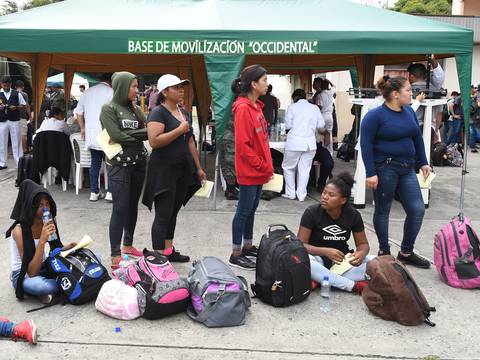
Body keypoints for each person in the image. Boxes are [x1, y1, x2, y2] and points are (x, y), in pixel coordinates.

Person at [360, 76, 432, 269]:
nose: (412, 94)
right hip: (385, 168)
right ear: (395, 94)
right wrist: (371, 172)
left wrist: (423, 162)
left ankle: (406, 252)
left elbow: (417, 137)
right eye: (408, 90)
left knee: (417, 210)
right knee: (383, 210)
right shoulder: (374, 116)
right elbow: (365, 145)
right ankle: (384, 251)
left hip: (407, 168)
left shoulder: (408, 111)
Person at [142, 74, 204, 262]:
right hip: (163, 170)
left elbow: (190, 141)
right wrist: (179, 130)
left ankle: (168, 250)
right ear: (165, 92)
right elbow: (154, 141)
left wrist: (198, 167)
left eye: (181, 87)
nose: (181, 90)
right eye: (176, 87)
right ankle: (158, 255)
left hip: (181, 169)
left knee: (174, 211)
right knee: (163, 213)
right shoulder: (158, 113)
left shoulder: (183, 112)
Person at [100, 72, 148, 269]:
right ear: (121, 87)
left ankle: (127, 246)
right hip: (119, 166)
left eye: (137, 86)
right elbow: (115, 134)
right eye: (133, 86)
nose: (137, 90)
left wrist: (128, 135)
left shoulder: (136, 109)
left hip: (139, 162)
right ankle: (115, 255)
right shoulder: (108, 109)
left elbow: (150, 131)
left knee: (132, 206)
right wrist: (135, 135)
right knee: (120, 208)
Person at [298, 172, 373, 294]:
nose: (324, 197)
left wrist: (361, 254)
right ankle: (352, 286)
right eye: (324, 192)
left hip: (342, 262)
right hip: (318, 259)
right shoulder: (312, 212)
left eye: (331, 195)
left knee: (377, 262)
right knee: (301, 260)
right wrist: (326, 251)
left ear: (343, 200)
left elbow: (363, 244)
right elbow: (301, 245)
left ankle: (323, 278)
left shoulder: (353, 215)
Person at [229, 64, 273, 270]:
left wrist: (265, 167)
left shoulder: (256, 107)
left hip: (259, 170)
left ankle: (247, 246)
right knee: (243, 210)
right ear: (254, 84)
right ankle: (235, 253)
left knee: (252, 209)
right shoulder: (244, 109)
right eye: (264, 80)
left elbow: (261, 140)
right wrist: (261, 165)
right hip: (250, 170)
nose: (267, 83)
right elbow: (243, 146)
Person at [6, 180, 76, 303]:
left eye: (47, 204)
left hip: (44, 267)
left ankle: (64, 284)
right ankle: (67, 284)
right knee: (42, 287)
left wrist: (69, 247)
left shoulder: (50, 220)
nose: (45, 209)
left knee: (88, 260)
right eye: (40, 205)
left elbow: (55, 248)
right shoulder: (19, 231)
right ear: (32, 207)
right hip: (25, 274)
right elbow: (32, 272)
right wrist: (42, 241)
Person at [75, 73, 114, 201]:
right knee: (111, 163)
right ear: (110, 81)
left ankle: (94, 192)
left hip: (92, 133)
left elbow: (79, 113)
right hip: (107, 132)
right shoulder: (111, 92)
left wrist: (82, 128)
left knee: (95, 163)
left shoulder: (87, 92)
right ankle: (110, 192)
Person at [282, 89, 324, 201]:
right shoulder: (314, 108)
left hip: (294, 142)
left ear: (294, 97)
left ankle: (290, 193)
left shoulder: (292, 107)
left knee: (288, 168)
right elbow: (321, 124)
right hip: (310, 143)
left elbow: (288, 125)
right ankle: (301, 195)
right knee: (305, 169)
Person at [407, 56, 445, 144]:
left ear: (411, 76)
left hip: (411, 128)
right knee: (426, 154)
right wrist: (436, 131)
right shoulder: (435, 89)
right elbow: (439, 114)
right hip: (430, 129)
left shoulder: (407, 91)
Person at [0, 75, 27, 169]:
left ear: (10, 84)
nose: (6, 87)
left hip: (14, 120)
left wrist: (16, 107)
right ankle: (2, 163)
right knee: (2, 142)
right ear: (1, 84)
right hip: (2, 120)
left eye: (7, 85)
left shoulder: (16, 93)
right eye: (4, 85)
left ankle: (19, 162)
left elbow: (24, 105)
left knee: (16, 141)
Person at [312, 77, 335, 154]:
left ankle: (321, 151)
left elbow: (320, 107)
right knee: (329, 134)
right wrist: (329, 81)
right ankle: (329, 152)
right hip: (330, 116)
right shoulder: (330, 92)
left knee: (320, 135)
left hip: (322, 116)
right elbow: (333, 86)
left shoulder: (320, 95)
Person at [15, 80, 31, 153]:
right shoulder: (24, 94)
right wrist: (30, 116)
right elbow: (27, 106)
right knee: (23, 134)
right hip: (22, 116)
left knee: (15, 134)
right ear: (23, 87)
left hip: (13, 118)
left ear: (15, 87)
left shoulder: (12, 93)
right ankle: (24, 149)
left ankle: (15, 150)